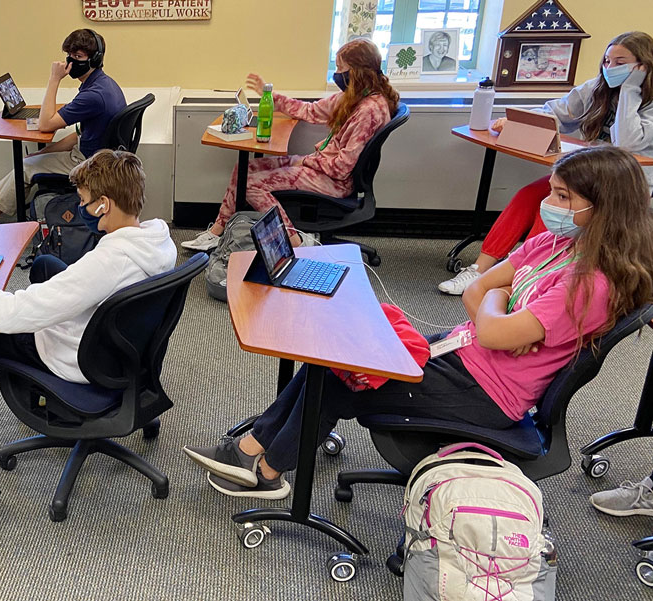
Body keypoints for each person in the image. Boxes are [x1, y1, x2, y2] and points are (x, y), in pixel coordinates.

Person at [184, 146, 653, 499]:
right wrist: (502, 304)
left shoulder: (590, 283)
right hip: (467, 353)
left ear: (603, 208)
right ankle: (258, 442)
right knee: (337, 348)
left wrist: (497, 304)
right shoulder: (556, 244)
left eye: (562, 196)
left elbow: (488, 318)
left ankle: (265, 469)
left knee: (339, 372)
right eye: (551, 191)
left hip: (487, 393)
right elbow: (475, 288)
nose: (547, 203)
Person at [0, 150, 176, 447]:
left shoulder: (109, 262)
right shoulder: (158, 240)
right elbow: (84, 284)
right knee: (46, 264)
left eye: (84, 201)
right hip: (120, 351)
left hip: (79, 361)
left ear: (104, 205)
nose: (80, 207)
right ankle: (34, 395)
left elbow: (12, 314)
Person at [439, 31, 653, 295]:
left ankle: (524, 277)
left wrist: (630, 90)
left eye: (621, 63)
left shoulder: (645, 99)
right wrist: (520, 121)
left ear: (643, 66)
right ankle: (480, 270)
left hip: (628, 185)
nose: (610, 69)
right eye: (607, 61)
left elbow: (628, 143)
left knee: (558, 208)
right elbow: (556, 113)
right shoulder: (598, 88)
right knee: (528, 197)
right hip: (590, 175)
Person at [181, 38, 397, 251]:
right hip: (321, 166)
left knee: (249, 184)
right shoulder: (352, 98)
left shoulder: (369, 111)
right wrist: (268, 95)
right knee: (244, 169)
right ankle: (217, 232)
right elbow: (309, 111)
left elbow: (341, 168)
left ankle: (297, 243)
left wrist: (306, 162)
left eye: (341, 69)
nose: (337, 74)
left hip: (333, 180)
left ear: (358, 72)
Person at [0, 29, 126, 224]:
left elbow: (45, 124)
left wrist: (54, 79)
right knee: (30, 159)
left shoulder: (93, 96)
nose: (70, 61)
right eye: (69, 55)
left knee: (26, 167)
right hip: (97, 157)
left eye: (78, 57)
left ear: (95, 59)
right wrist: (42, 154)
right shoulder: (104, 84)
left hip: (90, 166)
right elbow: (78, 135)